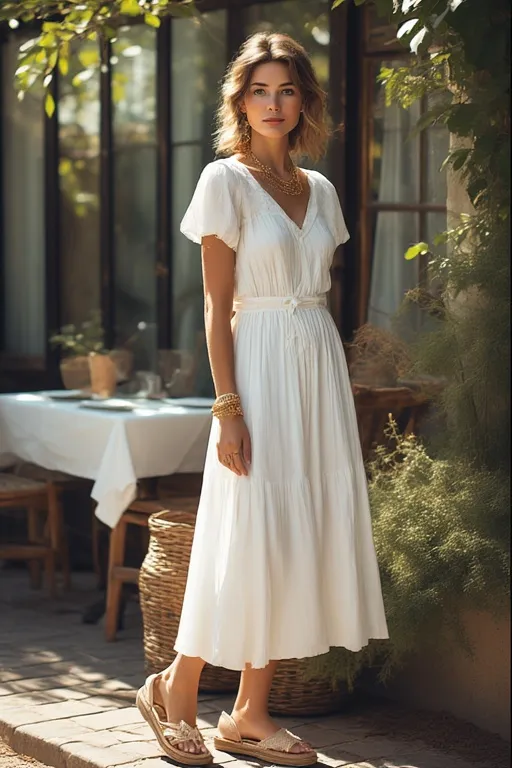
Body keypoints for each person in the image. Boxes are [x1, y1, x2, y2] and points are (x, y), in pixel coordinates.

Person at [136, 31, 389, 767]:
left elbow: (324, 298)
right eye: (259, 90)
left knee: (295, 537)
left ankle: (249, 712)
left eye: (286, 89)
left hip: (315, 373)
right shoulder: (225, 180)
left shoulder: (323, 190)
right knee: (246, 535)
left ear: (305, 100)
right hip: (259, 370)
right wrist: (228, 408)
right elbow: (218, 307)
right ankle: (174, 691)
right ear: (239, 101)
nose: (273, 104)